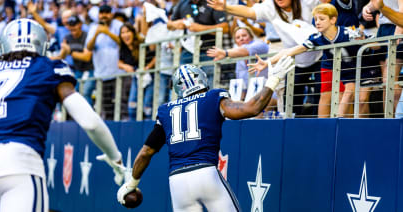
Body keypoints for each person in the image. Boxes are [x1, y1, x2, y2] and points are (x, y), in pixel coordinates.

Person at [0, 19, 125, 211]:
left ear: (2, 46)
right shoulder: (48, 67)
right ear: (43, 45)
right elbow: (90, 122)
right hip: (20, 164)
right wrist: (114, 157)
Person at [116, 58, 295, 211]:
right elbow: (252, 108)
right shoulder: (213, 97)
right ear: (202, 78)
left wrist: (131, 184)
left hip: (177, 182)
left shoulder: (165, 110)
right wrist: (272, 81)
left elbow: (146, 152)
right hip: (205, 173)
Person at [207, 0, 321, 117]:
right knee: (288, 95)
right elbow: (248, 12)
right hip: (293, 57)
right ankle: (288, 123)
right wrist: (226, 7)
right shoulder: (270, 7)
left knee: (320, 94)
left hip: (316, 54)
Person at [249, 3, 371, 118]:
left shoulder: (348, 33)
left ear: (333, 20)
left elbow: (372, 42)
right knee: (348, 93)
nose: (317, 22)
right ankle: (338, 123)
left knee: (361, 99)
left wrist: (366, 40)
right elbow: (289, 51)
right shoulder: (316, 38)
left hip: (363, 68)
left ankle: (346, 124)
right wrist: (267, 62)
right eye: (315, 19)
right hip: (345, 72)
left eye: (321, 19)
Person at [168, 0, 229, 87]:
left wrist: (200, 28)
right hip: (187, 51)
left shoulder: (212, 1)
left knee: (208, 86)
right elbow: (169, 24)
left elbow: (225, 27)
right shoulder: (182, 4)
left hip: (209, 51)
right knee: (183, 85)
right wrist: (176, 24)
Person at [362, 0, 403, 113]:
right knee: (387, 83)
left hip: (396, 26)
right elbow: (377, 2)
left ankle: (397, 122)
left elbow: (402, 7)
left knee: (391, 81)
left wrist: (399, 30)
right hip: (383, 29)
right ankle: (389, 122)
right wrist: (367, 8)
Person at [54, 15, 96, 105]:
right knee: (73, 93)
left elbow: (87, 57)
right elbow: (62, 56)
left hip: (90, 69)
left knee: (86, 91)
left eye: (75, 27)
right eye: (71, 28)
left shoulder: (87, 36)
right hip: (78, 70)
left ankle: (89, 114)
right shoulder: (68, 38)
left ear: (80, 24)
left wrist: (70, 51)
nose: (73, 30)